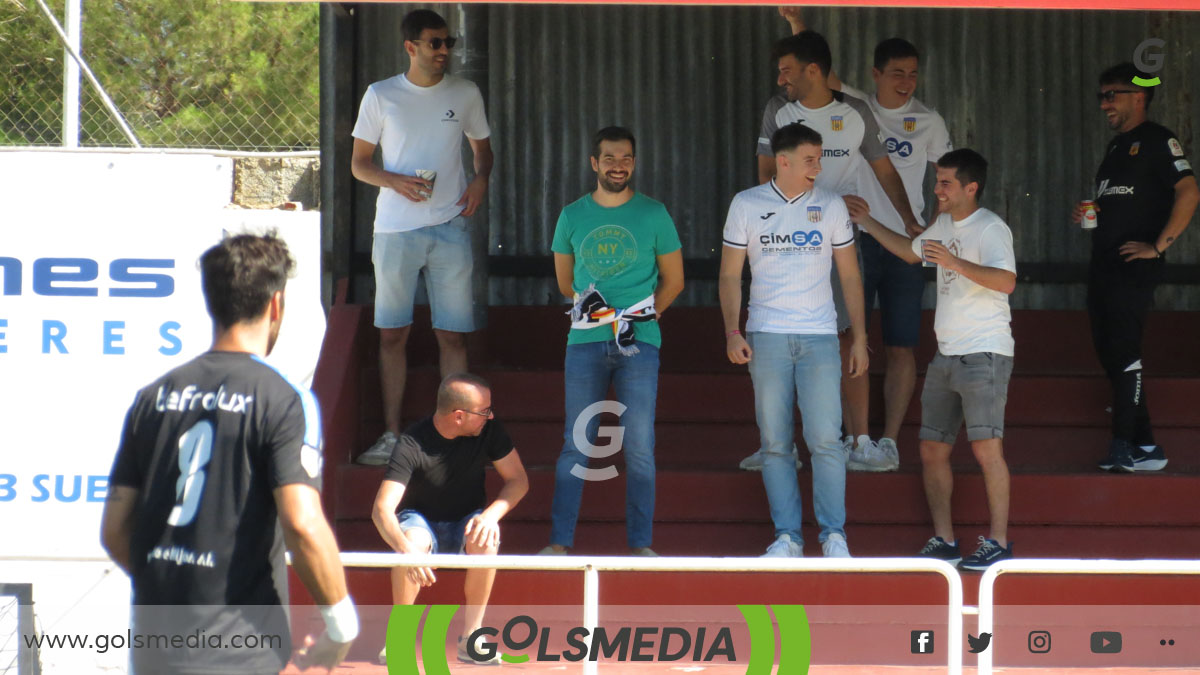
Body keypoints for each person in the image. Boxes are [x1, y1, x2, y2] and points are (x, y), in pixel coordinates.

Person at [101, 233, 356, 674]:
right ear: (276, 305)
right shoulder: (284, 399)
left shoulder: (152, 396)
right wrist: (342, 627)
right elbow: (302, 522)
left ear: (211, 302)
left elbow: (115, 530)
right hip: (241, 652)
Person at [742, 29, 920, 474]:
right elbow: (764, 176)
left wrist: (909, 220)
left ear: (813, 71)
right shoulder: (777, 110)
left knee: (844, 337)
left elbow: (885, 171)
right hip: (783, 242)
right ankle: (777, 446)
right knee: (777, 337)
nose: (781, 80)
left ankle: (859, 442)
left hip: (837, 238)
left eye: (787, 71)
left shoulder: (855, 111)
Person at [781, 8, 953, 470]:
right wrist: (798, 26)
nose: (906, 82)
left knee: (901, 343)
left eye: (913, 74)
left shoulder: (929, 120)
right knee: (845, 336)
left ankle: (889, 442)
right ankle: (844, 433)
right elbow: (821, 72)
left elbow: (947, 176)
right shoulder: (855, 106)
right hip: (850, 240)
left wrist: (934, 226)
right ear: (876, 74)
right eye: (897, 73)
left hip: (903, 242)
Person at [846, 149, 1017, 570]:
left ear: (970, 188)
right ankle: (944, 540)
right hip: (946, 355)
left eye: (945, 183)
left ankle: (998, 542)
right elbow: (910, 251)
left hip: (985, 352)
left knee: (986, 449)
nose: (936, 190)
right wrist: (866, 221)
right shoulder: (942, 223)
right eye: (937, 180)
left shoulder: (991, 227)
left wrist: (955, 261)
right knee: (930, 449)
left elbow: (1008, 281)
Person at [352, 8, 494, 466]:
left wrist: (479, 180)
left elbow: (483, 152)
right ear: (410, 47)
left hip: (451, 227)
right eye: (435, 43)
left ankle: (453, 440)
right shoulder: (380, 95)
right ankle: (391, 435)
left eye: (448, 43)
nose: (444, 51)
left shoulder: (466, 92)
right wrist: (394, 181)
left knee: (452, 335)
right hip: (394, 229)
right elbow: (359, 164)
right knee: (393, 334)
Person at [721, 122, 868, 559]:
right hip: (765, 335)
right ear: (782, 161)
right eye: (810, 159)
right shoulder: (746, 204)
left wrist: (859, 337)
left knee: (826, 438)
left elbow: (850, 275)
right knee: (775, 442)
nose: (818, 168)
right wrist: (733, 330)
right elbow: (729, 274)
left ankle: (834, 536)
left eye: (820, 159)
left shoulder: (831, 205)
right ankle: (787, 537)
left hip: (821, 335)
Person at [541, 126, 685, 557]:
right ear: (594, 163)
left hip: (640, 341)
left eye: (625, 158)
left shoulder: (654, 213)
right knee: (576, 440)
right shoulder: (571, 215)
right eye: (609, 158)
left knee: (639, 444)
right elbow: (566, 282)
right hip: (585, 341)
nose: (618, 165)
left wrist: (638, 316)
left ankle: (641, 545)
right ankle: (559, 543)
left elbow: (675, 281)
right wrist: (603, 314)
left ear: (634, 163)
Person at [1072, 63, 1197, 473]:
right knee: (1109, 352)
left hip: (1133, 268)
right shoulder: (1115, 148)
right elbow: (1122, 203)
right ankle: (1148, 448)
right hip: (1104, 265)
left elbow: (1189, 192)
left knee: (1124, 352)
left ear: (1138, 96)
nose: (1105, 103)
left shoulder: (1160, 139)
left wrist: (1159, 247)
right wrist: (1091, 213)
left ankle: (1122, 444)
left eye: (1113, 95)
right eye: (1102, 96)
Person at [372, 373, 529, 665]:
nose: (490, 416)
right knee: (413, 541)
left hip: (467, 519)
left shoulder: (489, 430)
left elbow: (518, 480)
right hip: (419, 520)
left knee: (486, 537)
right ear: (459, 416)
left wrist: (491, 516)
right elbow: (382, 509)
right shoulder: (411, 442)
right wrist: (407, 553)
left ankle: (472, 638)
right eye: (484, 411)